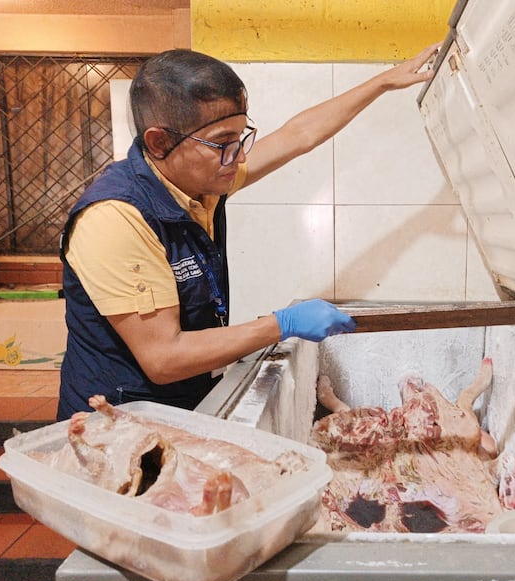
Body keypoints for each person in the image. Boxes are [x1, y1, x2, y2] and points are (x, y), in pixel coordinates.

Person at [56, 43, 440, 420]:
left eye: (241, 138)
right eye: (223, 143)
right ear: (159, 142)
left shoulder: (199, 181)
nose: (239, 157)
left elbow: (298, 135)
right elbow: (164, 358)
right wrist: (281, 325)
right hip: (113, 424)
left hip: (177, 409)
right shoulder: (115, 216)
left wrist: (384, 82)